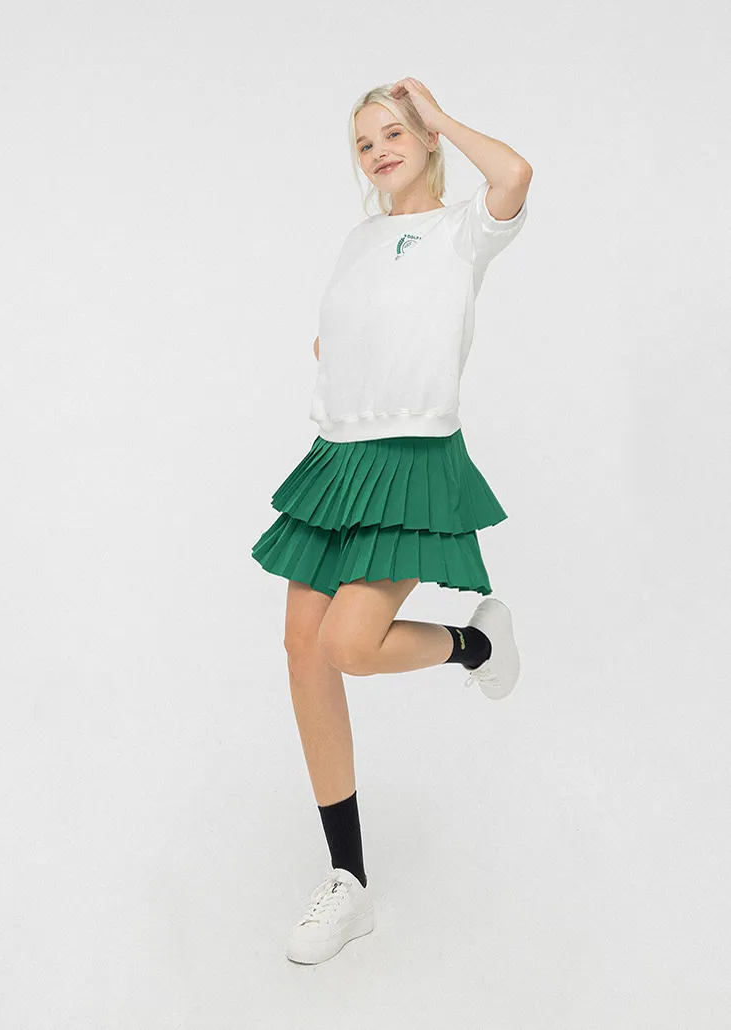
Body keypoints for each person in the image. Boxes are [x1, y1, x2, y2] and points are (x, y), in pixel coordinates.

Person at [250, 77, 532, 965]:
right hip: (339, 457)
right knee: (303, 649)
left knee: (348, 644)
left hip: (412, 460)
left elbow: (515, 174)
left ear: (428, 140)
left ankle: (476, 646)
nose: (378, 151)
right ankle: (349, 883)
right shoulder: (358, 239)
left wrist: (441, 114)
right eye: (364, 142)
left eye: (395, 134)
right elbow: (343, 335)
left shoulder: (462, 229)